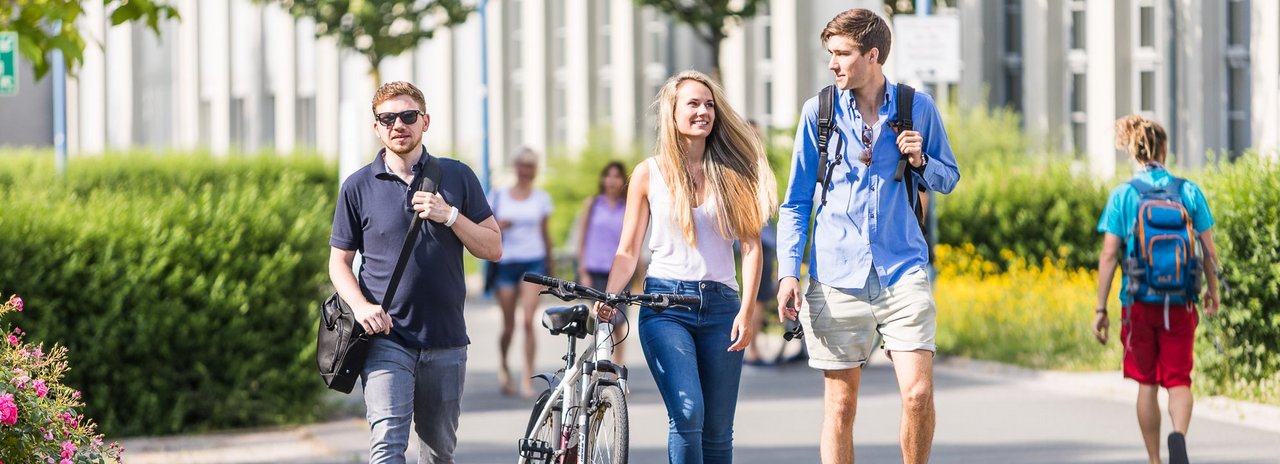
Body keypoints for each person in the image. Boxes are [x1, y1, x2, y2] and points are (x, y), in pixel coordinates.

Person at [775, 8, 960, 464]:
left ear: (872, 55)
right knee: (841, 406)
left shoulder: (917, 107)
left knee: (917, 395)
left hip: (902, 270)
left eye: (842, 54)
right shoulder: (818, 112)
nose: (833, 63)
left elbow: (949, 178)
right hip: (837, 274)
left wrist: (922, 162)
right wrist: (788, 273)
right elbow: (796, 202)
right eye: (830, 55)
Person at [597, 70, 777, 464]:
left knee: (717, 431)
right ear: (672, 113)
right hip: (665, 306)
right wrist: (611, 295)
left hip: (722, 307)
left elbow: (750, 247)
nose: (703, 111)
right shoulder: (649, 173)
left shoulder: (735, 173)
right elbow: (628, 249)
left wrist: (747, 312)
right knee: (688, 412)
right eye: (693, 104)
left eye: (709, 104)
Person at [328, 81, 501, 463]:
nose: (398, 125)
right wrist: (360, 307)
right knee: (387, 445)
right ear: (377, 127)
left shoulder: (457, 176)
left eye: (408, 116)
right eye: (387, 118)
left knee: (438, 453)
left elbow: (493, 247)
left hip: (446, 339)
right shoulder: (357, 186)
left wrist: (451, 215)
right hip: (386, 337)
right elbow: (339, 261)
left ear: (425, 121)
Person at [1093, 115, 1221, 464]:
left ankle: (1154, 459)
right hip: (1181, 301)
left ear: (1133, 153)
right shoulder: (1189, 191)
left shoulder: (1124, 195)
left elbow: (1108, 255)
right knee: (1179, 380)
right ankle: (1177, 435)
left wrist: (1101, 309)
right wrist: (1213, 290)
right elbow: (1208, 251)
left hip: (1138, 302)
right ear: (1164, 149)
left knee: (1147, 383)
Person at [489, 148, 555, 398]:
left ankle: (528, 378)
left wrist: (550, 264)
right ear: (515, 167)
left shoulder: (541, 198)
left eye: (531, 166)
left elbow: (545, 233)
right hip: (505, 261)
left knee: (529, 322)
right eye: (522, 165)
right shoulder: (498, 196)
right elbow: (485, 227)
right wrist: (499, 226)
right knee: (508, 325)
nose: (526, 170)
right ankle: (504, 366)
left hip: (534, 262)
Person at [576, 160, 630, 362]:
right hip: (595, 269)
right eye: (608, 176)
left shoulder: (627, 207)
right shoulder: (592, 204)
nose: (612, 181)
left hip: (618, 270)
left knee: (619, 321)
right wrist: (582, 270)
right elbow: (582, 239)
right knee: (600, 318)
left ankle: (618, 365)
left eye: (617, 176)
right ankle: (600, 361)